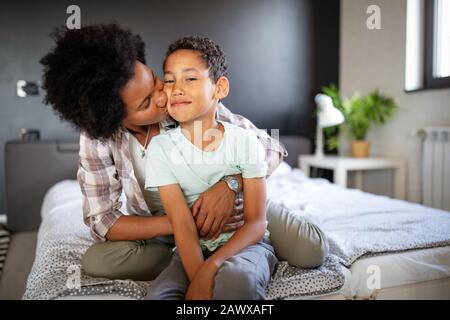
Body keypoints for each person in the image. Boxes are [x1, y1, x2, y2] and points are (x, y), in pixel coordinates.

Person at [40, 23, 327, 284]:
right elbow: (103, 221)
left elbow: (271, 147)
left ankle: (249, 245)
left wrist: (230, 185)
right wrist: (182, 223)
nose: (165, 96)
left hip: (230, 215)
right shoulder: (98, 138)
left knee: (311, 252)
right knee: (97, 260)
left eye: (155, 81)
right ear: (113, 117)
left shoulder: (184, 104)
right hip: (164, 226)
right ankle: (190, 258)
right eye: (146, 102)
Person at [145, 37, 277, 300]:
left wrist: (211, 269)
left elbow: (256, 223)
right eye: (170, 80)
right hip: (190, 249)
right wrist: (198, 277)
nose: (177, 89)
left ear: (220, 88)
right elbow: (181, 224)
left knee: (238, 285)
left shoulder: (244, 141)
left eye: (190, 79)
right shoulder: (160, 149)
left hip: (244, 245)